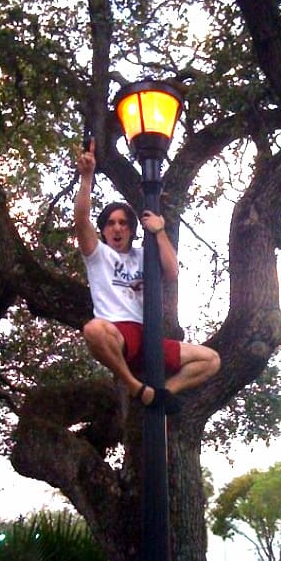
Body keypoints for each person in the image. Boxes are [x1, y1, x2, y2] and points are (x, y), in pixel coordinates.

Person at [75, 139, 220, 414]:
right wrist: (87, 177)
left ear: (131, 229)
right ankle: (135, 388)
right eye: (110, 223)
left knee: (210, 360)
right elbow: (81, 220)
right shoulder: (98, 255)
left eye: (123, 223)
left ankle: (161, 394)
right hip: (117, 334)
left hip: (149, 336)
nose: (117, 228)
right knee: (93, 329)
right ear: (104, 231)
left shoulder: (145, 255)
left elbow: (172, 271)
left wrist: (159, 230)